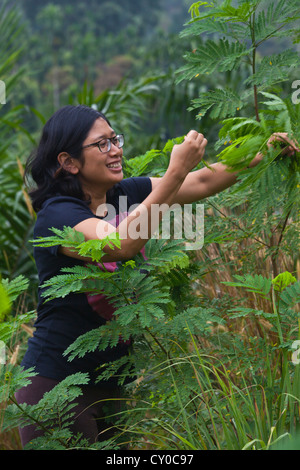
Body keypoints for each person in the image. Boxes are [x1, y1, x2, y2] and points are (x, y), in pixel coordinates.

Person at [15, 104, 295, 448]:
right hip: (55, 387)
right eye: (101, 144)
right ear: (69, 162)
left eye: (114, 139)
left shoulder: (125, 194)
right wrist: (175, 171)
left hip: (111, 385)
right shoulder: (56, 215)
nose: (116, 149)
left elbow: (204, 179)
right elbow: (120, 244)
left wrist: (265, 151)